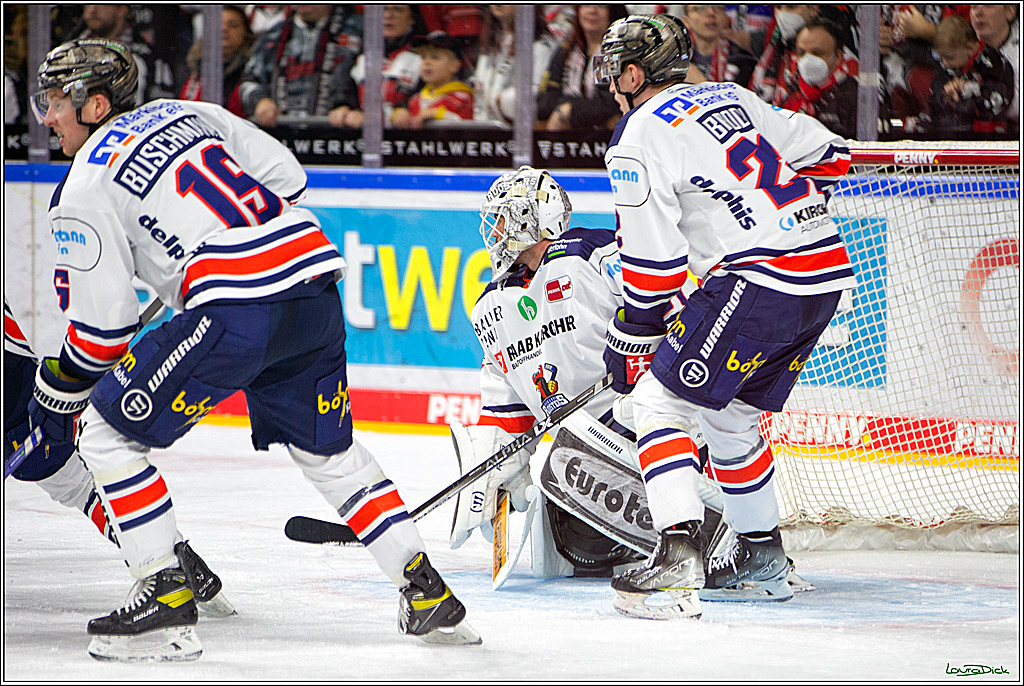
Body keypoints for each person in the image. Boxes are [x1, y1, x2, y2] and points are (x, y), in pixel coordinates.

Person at [32, 37, 480, 662]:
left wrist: (57, 391)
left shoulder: (84, 184)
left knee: (105, 436)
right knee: (332, 456)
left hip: (236, 308)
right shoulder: (185, 113)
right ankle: (425, 590)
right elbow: (287, 180)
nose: (45, 117)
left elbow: (102, 330)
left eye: (54, 102)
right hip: (315, 290)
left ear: (94, 103)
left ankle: (164, 595)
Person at [595, 15, 855, 620]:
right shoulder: (731, 96)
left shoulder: (636, 136)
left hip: (761, 278)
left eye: (614, 73)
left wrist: (629, 337)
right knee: (732, 415)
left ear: (634, 74)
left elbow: (656, 265)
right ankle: (763, 559)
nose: (611, 85)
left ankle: (677, 554)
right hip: (824, 272)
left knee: (659, 403)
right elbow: (828, 151)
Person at [450, 167, 816, 591]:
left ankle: (734, 538)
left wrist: (648, 358)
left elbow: (673, 300)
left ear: (540, 218)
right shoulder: (488, 308)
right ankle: (679, 540)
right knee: (561, 493)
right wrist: (495, 469)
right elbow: (505, 415)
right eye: (495, 219)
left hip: (649, 436)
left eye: (508, 216)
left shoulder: (591, 253)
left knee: (666, 419)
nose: (496, 229)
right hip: (579, 471)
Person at [4, 298, 235, 618]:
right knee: (66, 476)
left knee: (57, 467)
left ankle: (168, 563)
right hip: (15, 389)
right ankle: (171, 556)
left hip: (13, 392)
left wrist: (54, 394)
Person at [239, 5, 364, 128]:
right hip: (281, 134)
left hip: (341, 135)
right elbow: (249, 81)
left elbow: (378, 83)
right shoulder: (272, 35)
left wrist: (356, 109)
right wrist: (260, 101)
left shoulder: (359, 30)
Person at [329, 4, 425, 129]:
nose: (388, 16)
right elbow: (344, 94)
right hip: (363, 138)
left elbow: (432, 96)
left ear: (412, 18)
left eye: (397, 9)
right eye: (383, 9)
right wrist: (344, 107)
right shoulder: (359, 57)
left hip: (409, 137)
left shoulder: (424, 58)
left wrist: (406, 109)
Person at [538, 4, 630, 132]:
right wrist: (565, 108)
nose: (592, 11)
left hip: (601, 136)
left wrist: (570, 109)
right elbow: (545, 101)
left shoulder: (609, 54)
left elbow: (607, 106)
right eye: (586, 5)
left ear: (613, 13)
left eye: (601, 6)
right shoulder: (567, 51)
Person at [472, 5, 564, 126]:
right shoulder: (490, 43)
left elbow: (540, 96)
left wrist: (503, 101)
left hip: (520, 133)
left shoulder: (541, 45)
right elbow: (480, 88)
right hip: (485, 132)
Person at [925, 15, 1015, 136]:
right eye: (941, 58)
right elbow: (935, 97)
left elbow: (996, 102)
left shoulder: (993, 62)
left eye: (950, 58)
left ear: (969, 48)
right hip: (953, 134)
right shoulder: (948, 67)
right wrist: (946, 94)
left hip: (990, 136)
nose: (945, 63)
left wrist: (963, 91)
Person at [781, 20, 860, 139]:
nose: (807, 59)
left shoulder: (856, 97)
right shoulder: (791, 93)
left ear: (838, 56)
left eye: (817, 53)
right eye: (802, 53)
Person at [179, 5, 255, 118]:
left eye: (233, 25)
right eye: (217, 24)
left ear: (245, 32)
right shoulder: (195, 67)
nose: (224, 29)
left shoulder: (252, 69)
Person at [392, 31, 474, 129]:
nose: (427, 62)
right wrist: (399, 114)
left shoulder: (463, 99)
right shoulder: (414, 100)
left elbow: (470, 128)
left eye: (435, 58)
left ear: (454, 65)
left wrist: (438, 114)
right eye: (423, 57)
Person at [681, 5, 757, 87]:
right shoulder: (677, 60)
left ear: (725, 18)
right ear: (686, 21)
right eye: (700, 8)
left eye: (717, 7)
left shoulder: (745, 60)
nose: (711, 13)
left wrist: (701, 82)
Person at [970, 4, 1019, 127]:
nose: (978, 12)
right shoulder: (963, 42)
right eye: (974, 6)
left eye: (989, 5)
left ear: (1010, 12)